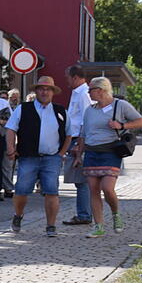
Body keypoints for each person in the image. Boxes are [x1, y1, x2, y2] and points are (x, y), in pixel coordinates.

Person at [72, 77, 142, 237]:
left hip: (111, 152)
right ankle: (98, 226)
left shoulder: (120, 105)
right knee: (93, 190)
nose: (88, 93)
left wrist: (122, 125)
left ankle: (115, 213)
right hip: (91, 153)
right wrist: (79, 154)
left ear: (100, 90)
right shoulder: (89, 110)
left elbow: (141, 122)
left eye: (91, 90)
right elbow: (83, 134)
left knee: (107, 188)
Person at [5, 76, 69, 237]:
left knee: (52, 191)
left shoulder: (60, 111)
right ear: (36, 91)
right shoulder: (23, 108)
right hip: (28, 157)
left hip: (51, 158)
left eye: (48, 89)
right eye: (41, 89)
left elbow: (69, 134)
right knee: (21, 190)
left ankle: (51, 226)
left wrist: (61, 153)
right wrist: (11, 148)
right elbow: (11, 129)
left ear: (53, 92)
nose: (44, 92)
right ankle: (18, 215)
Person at [63, 65, 94, 227]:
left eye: (68, 77)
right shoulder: (78, 93)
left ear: (75, 77)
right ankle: (84, 213)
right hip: (75, 139)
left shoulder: (83, 94)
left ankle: (84, 214)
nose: (66, 80)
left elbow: (86, 120)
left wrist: (79, 145)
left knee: (81, 180)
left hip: (78, 140)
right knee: (79, 180)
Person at [0, 88, 21, 198]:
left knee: (10, 165)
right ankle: (6, 187)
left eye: (16, 98)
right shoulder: (4, 109)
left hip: (16, 140)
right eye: (12, 97)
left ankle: (9, 187)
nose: (14, 100)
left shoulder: (20, 109)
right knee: (6, 165)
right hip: (3, 137)